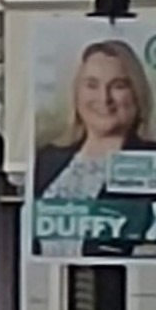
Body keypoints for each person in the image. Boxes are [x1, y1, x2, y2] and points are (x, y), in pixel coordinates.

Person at [37, 39, 156, 202]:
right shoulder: (47, 158)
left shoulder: (151, 159)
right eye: (92, 85)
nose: (104, 98)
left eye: (118, 86)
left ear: (137, 92)